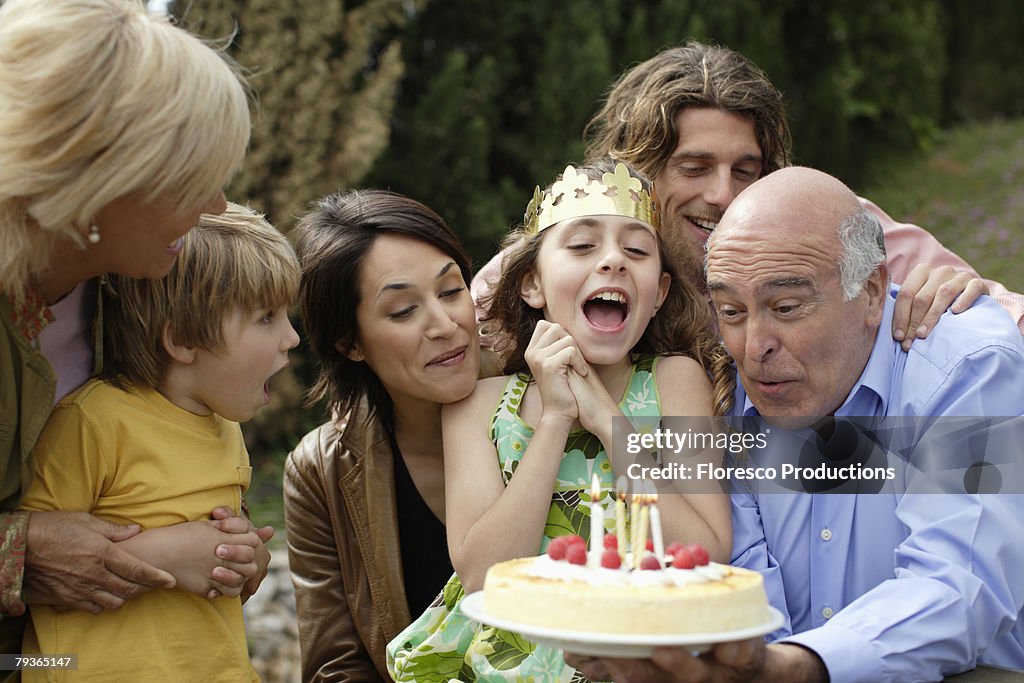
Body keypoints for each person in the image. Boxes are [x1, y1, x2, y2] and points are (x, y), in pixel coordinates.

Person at [570, 166, 1024, 683]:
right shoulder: (726, 377)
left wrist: (797, 666)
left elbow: (960, 586)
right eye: (730, 310)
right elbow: (742, 568)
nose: (753, 345)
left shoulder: (967, 365)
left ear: (872, 291)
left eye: (786, 307)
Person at [387, 160, 734, 681]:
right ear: (532, 283)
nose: (613, 260)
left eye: (636, 250)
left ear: (659, 293)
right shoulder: (478, 405)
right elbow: (484, 576)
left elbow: (707, 552)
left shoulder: (676, 382)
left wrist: (607, 422)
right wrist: (555, 421)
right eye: (582, 246)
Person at [0, 0, 264, 667]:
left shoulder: (135, 293)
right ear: (102, 175)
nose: (215, 207)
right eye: (194, 177)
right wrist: (19, 554)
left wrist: (228, 551)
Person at [472, 42, 1024, 345]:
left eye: (746, 170)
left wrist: (966, 298)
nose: (723, 195)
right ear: (638, 170)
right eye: (694, 167)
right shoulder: (561, 258)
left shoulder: (819, 221)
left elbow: (1007, 315)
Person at [17, 204, 298, 680]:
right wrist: (165, 555)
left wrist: (243, 559)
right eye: (266, 318)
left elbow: (210, 551)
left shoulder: (225, 430)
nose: (291, 337)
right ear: (183, 339)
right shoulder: (94, 422)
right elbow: (40, 563)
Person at [284, 190, 482, 682]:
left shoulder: (561, 392)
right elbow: (336, 667)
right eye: (402, 311)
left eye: (452, 291)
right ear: (350, 343)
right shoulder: (319, 470)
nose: (444, 325)